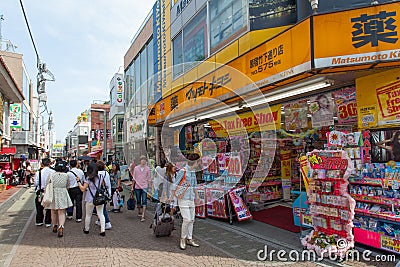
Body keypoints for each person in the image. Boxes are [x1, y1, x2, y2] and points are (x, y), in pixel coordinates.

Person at [172, 153, 201, 250]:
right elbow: (175, 184)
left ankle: (189, 238)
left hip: (191, 198)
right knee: (187, 219)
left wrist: (197, 196)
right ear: (195, 162)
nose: (198, 164)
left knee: (192, 219)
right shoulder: (183, 171)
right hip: (183, 198)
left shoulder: (193, 172)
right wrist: (172, 198)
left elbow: (194, 185)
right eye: (198, 162)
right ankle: (182, 238)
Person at [44, 161, 73, 238]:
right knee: (62, 212)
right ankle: (61, 227)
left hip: (53, 193)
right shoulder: (66, 175)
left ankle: (54, 225)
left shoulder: (52, 175)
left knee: (53, 211)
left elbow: (47, 184)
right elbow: (68, 185)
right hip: (63, 192)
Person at [77, 162, 106, 236]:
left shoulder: (88, 178)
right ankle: (102, 230)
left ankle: (86, 229)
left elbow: (83, 189)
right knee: (101, 214)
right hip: (99, 197)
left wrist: (78, 182)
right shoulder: (101, 176)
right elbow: (103, 185)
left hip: (90, 198)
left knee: (88, 215)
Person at [34, 158, 55, 227]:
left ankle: (39, 221)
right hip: (50, 191)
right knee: (49, 207)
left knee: (39, 207)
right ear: (50, 164)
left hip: (40, 192)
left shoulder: (38, 172)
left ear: (42, 164)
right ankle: (48, 222)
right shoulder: (53, 172)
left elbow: (36, 183)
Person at [131, 156, 151, 222]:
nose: (143, 161)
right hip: (137, 186)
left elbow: (148, 178)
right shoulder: (136, 168)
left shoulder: (148, 169)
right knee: (138, 200)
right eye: (142, 160)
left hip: (145, 186)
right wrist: (132, 187)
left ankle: (143, 215)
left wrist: (150, 187)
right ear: (140, 161)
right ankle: (139, 211)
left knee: (144, 200)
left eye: (145, 160)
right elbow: (134, 178)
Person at [95, 161, 112, 230]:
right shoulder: (106, 173)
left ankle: (107, 222)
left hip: (99, 193)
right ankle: (100, 221)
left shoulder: (97, 174)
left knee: (102, 209)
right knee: (101, 207)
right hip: (106, 192)